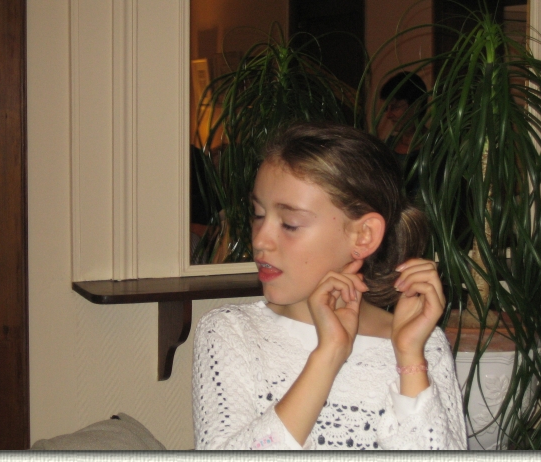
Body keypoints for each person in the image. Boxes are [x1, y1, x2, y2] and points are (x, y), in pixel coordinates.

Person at [192, 122, 467, 450]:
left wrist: (409, 357)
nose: (261, 240)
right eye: (258, 214)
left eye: (290, 224)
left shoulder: (423, 345)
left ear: (363, 236)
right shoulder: (231, 333)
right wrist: (328, 355)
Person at [380, 71, 428, 200]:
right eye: (386, 109)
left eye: (395, 107)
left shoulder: (437, 149)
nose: (388, 115)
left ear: (417, 105)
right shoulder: (384, 148)